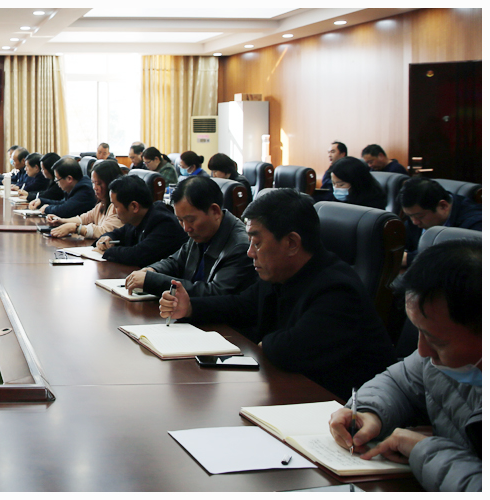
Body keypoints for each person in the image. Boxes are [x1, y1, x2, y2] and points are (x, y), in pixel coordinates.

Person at [159, 188, 395, 398]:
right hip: (292, 392)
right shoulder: (281, 273)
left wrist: (264, 342)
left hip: (337, 409)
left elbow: (289, 351)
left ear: (292, 243)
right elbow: (242, 305)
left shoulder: (338, 290)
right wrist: (191, 308)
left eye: (257, 243)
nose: (250, 253)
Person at [328, 239, 481, 492]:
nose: (422, 350)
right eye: (419, 332)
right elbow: (399, 381)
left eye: (436, 340)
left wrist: (423, 450)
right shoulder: (439, 358)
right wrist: (370, 412)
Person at [125, 176, 255, 298]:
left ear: (214, 211)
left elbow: (216, 293)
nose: (186, 228)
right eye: (180, 220)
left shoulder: (240, 246)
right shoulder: (202, 232)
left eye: (191, 220)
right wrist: (151, 271)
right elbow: (175, 262)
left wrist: (153, 281)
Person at [96, 174, 188, 267]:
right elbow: (118, 233)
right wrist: (108, 238)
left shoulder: (164, 223)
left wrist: (108, 251)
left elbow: (137, 255)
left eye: (116, 206)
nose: (114, 211)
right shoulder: (136, 219)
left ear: (134, 206)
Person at [399, 177, 482, 266]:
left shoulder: (475, 223)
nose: (415, 222)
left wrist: (409, 258)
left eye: (420, 216)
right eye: (410, 216)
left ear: (443, 206)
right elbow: (400, 242)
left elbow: (462, 259)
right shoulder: (417, 213)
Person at [46, 160, 124, 239]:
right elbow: (85, 218)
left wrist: (76, 228)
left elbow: (105, 231)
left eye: (98, 183)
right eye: (93, 183)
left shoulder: (117, 206)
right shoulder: (102, 204)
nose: (94, 187)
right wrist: (62, 221)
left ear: (110, 183)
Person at [28, 157, 96, 218]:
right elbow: (63, 203)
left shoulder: (85, 189)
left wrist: (47, 208)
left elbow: (65, 210)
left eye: (57, 179)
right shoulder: (76, 185)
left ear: (69, 179)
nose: (56, 182)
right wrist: (41, 201)